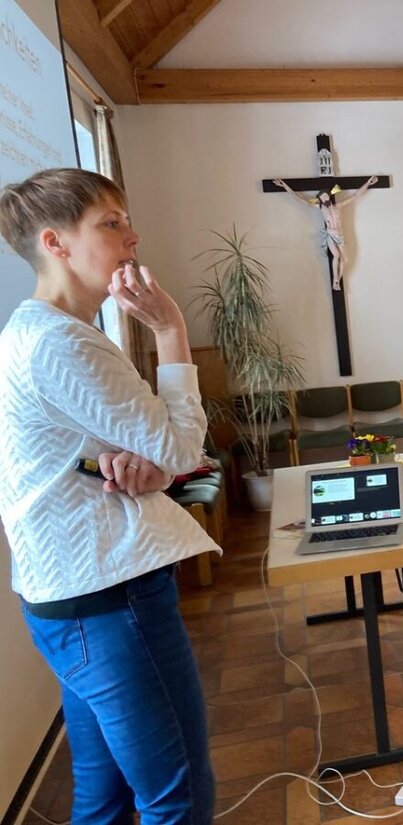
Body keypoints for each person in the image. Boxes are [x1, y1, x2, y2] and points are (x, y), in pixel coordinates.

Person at [0, 169, 217, 821]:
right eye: (111, 223)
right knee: (175, 794)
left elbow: (64, 452)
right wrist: (173, 330)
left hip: (64, 594)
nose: (133, 236)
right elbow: (183, 449)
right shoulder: (64, 341)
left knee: (105, 794)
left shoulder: (29, 330)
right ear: (55, 242)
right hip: (108, 595)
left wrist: (128, 463)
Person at [272, 175, 378, 290]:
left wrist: (368, 183)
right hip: (330, 235)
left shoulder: (339, 205)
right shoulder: (320, 208)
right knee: (336, 256)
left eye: (326, 195)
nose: (324, 198)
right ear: (320, 199)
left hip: (339, 235)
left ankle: (338, 278)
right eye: (322, 197)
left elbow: (356, 195)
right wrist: (285, 186)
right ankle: (336, 280)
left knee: (344, 259)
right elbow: (300, 199)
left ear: (329, 195)